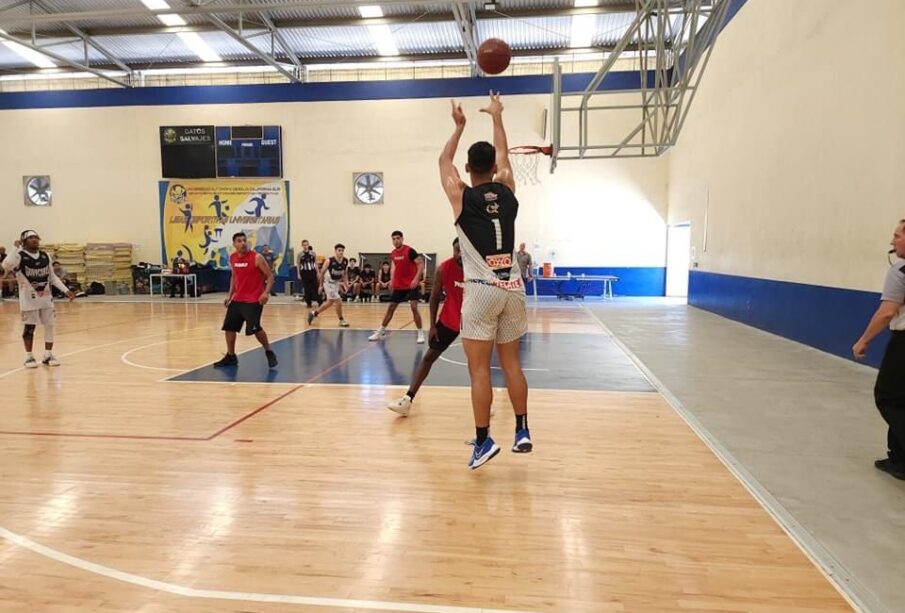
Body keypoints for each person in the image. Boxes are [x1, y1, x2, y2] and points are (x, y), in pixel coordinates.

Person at [439, 93, 531, 469]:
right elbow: (505, 156)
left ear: (467, 168)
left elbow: (443, 161)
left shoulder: (460, 195)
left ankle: (483, 441)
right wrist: (497, 116)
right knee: (512, 365)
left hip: (481, 291)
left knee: (479, 371)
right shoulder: (507, 187)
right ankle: (522, 429)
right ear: (493, 167)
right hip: (514, 290)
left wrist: (458, 126)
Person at [388, 238, 465, 416]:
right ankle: (407, 400)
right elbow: (435, 296)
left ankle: (486, 401)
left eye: (463, 250)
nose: (460, 254)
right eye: (456, 250)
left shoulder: (478, 269)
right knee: (429, 357)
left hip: (474, 321)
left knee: (477, 364)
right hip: (449, 319)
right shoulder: (444, 268)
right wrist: (432, 326)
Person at [853, 219, 905, 480]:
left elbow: (887, 313)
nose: (892, 241)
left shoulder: (900, 271)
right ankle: (898, 459)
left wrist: (864, 340)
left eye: (897, 236)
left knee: (887, 396)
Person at [1, 230, 75, 368]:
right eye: (30, 238)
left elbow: (52, 277)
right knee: (29, 328)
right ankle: (29, 356)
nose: (34, 240)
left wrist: (66, 290)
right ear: (24, 242)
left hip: (46, 298)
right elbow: (5, 266)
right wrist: (14, 248)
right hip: (28, 300)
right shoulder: (18, 256)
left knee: (50, 326)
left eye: (36, 237)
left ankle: (48, 354)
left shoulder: (45, 255)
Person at [213, 232, 278, 369]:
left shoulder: (257, 257)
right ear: (234, 244)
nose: (243, 243)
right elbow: (234, 277)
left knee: (255, 329)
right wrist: (229, 295)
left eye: (244, 240)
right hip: (238, 299)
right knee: (229, 328)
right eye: (239, 241)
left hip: (254, 300)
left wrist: (266, 293)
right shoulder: (233, 258)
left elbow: (270, 276)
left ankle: (269, 351)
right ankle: (231, 356)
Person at [368, 231, 425, 343]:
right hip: (399, 285)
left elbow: (421, 263)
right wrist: (392, 281)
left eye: (398, 238)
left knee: (414, 307)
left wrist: (416, 279)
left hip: (411, 285)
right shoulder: (393, 253)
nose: (396, 240)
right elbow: (394, 267)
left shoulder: (410, 251)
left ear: (402, 239)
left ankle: (420, 332)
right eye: (393, 239)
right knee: (391, 308)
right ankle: (381, 330)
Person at [307, 243, 350, 328]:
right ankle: (341, 320)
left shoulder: (345, 261)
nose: (341, 252)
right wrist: (320, 286)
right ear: (335, 251)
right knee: (338, 300)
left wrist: (346, 283)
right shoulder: (329, 261)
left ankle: (314, 313)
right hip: (328, 283)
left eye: (342, 251)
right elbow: (322, 273)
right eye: (339, 250)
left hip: (336, 283)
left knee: (329, 302)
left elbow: (344, 273)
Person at [297, 240, 319, 307]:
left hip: (312, 272)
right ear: (302, 246)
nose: (305, 246)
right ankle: (308, 303)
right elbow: (298, 264)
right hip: (304, 272)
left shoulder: (313, 253)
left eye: (306, 245)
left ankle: (319, 301)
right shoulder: (300, 254)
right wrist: (298, 274)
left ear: (308, 245)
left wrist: (318, 272)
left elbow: (315, 263)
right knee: (307, 288)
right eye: (304, 245)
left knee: (315, 287)